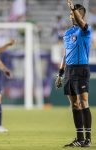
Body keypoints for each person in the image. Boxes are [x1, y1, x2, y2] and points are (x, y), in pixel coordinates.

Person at [55, 0, 92, 147]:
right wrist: (60, 73)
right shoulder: (68, 33)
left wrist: (73, 8)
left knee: (83, 102)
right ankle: (79, 138)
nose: (70, 15)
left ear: (80, 15)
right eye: (70, 13)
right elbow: (66, 53)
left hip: (81, 68)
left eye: (73, 13)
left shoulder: (85, 30)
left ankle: (88, 139)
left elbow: (80, 22)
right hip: (69, 70)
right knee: (74, 105)